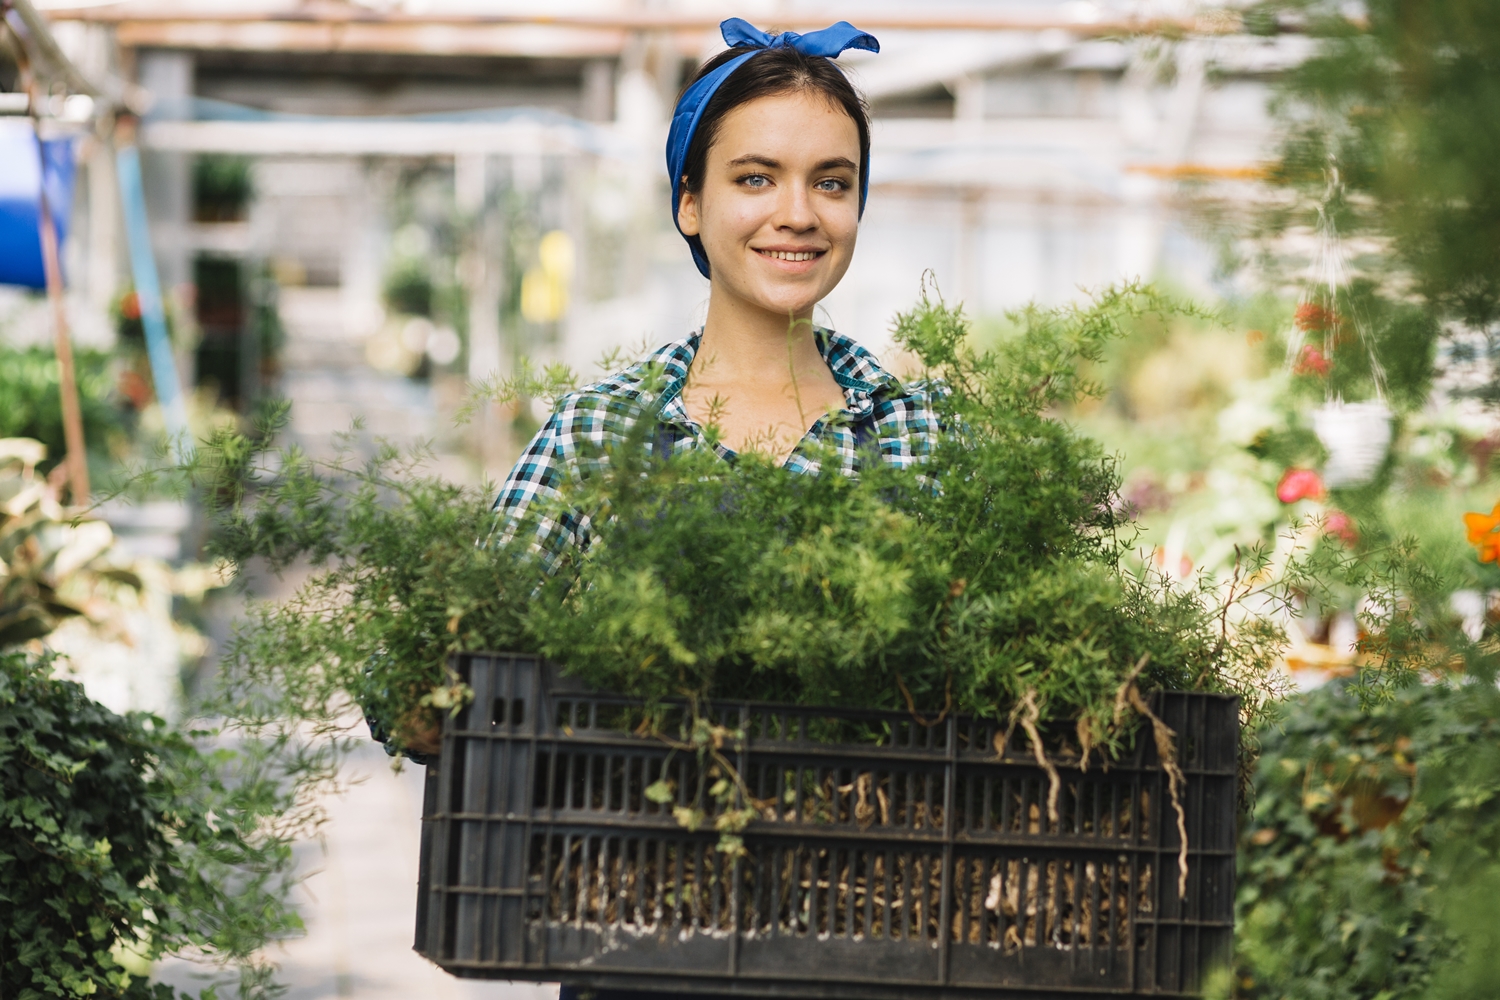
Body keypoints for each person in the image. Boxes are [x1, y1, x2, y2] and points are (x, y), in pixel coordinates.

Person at [394, 16, 945, 997]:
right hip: (637, 932)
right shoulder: (601, 431)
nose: (799, 213)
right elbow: (454, 649)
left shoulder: (913, 431)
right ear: (689, 204)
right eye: (754, 177)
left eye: (832, 180)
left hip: (871, 933)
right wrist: (425, 689)